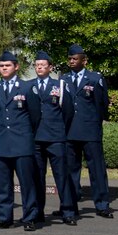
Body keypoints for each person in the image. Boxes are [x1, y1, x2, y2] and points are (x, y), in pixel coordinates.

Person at [0, 52, 41, 231]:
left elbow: (35, 115)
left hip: (22, 142)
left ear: (16, 67)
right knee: (4, 184)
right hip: (2, 142)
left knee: (27, 183)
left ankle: (30, 217)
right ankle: (5, 217)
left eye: (7, 66)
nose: (4, 69)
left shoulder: (26, 88)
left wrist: (25, 133)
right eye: (1, 66)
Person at [64, 44, 113, 218]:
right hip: (69, 131)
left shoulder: (95, 78)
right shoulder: (63, 80)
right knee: (70, 169)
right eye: (69, 58)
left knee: (97, 168)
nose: (71, 61)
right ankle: (70, 204)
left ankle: (102, 204)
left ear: (84, 60)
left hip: (90, 130)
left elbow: (102, 104)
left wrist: (95, 123)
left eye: (74, 59)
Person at [32, 51, 76, 225]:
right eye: (37, 65)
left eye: (43, 64)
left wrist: (60, 130)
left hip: (56, 137)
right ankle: (38, 211)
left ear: (50, 67)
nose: (40, 67)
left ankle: (68, 211)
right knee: (37, 177)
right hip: (36, 138)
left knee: (62, 176)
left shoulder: (60, 86)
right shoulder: (28, 86)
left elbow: (68, 112)